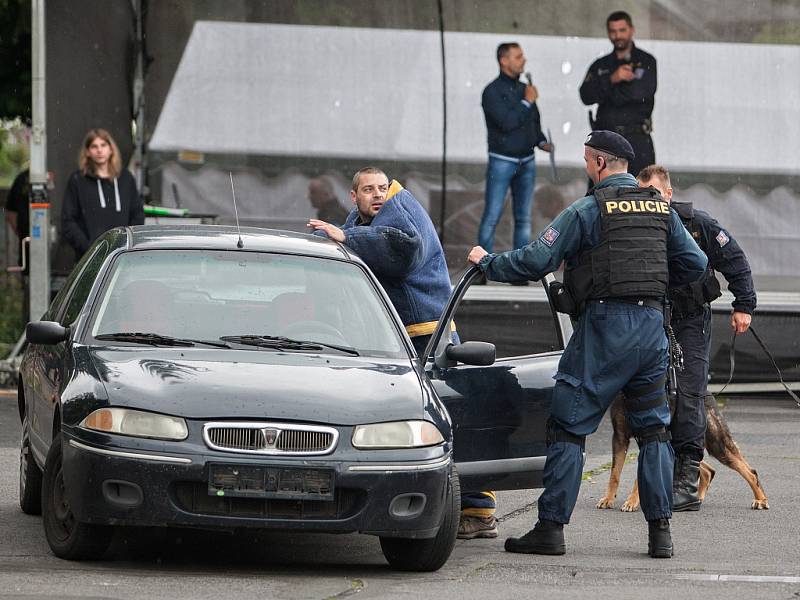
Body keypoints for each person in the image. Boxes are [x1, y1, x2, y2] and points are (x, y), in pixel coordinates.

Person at [467, 131, 707, 558]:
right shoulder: (660, 209)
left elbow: (536, 259)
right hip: (652, 329)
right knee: (653, 430)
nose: (585, 168)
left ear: (598, 163)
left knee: (568, 426)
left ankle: (551, 529)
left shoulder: (588, 208)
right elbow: (696, 263)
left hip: (604, 330)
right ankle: (660, 535)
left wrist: (487, 262)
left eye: (585, 161)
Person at [308, 166, 498, 539]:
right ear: (354, 196)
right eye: (368, 189)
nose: (378, 195)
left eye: (382, 187)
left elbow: (402, 251)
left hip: (429, 335)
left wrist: (345, 236)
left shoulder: (401, 210)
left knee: (448, 417)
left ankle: (479, 509)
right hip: (395, 340)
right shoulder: (359, 219)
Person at [637, 165, 756, 511]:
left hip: (690, 319)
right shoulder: (636, 224)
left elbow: (734, 259)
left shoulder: (697, 224)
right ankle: (660, 471)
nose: (650, 202)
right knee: (653, 393)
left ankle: (687, 481)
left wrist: (744, 305)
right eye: (643, 195)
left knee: (689, 393)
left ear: (669, 194)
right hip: (652, 318)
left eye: (655, 195)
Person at [479, 42, 553, 265]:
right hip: (502, 160)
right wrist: (526, 101)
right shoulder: (492, 91)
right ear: (504, 60)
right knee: (492, 215)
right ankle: (481, 266)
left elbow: (533, 121)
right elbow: (506, 122)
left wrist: (541, 141)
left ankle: (518, 269)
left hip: (527, 160)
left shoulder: (524, 88)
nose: (524, 60)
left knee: (523, 217)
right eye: (519, 56)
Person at [580, 11, 657, 178]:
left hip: (637, 139)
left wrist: (607, 94)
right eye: (613, 31)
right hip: (606, 141)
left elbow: (641, 93)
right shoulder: (601, 65)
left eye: (622, 30)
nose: (617, 36)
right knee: (602, 194)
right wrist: (612, 79)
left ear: (631, 30)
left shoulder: (646, 61)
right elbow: (585, 95)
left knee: (642, 192)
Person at [62, 128, 144, 261]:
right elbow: (68, 221)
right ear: (88, 152)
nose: (99, 150)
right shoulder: (78, 180)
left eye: (103, 145)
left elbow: (137, 215)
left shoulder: (126, 179)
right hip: (88, 258)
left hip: (123, 257)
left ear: (111, 149)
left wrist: (128, 246)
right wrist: (89, 248)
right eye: (94, 146)